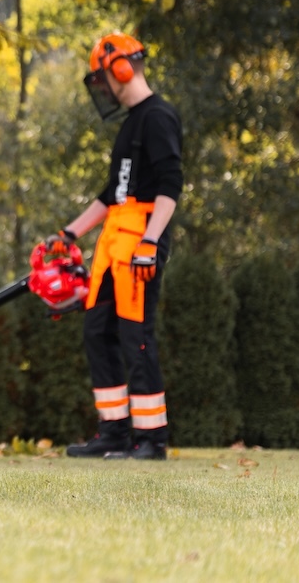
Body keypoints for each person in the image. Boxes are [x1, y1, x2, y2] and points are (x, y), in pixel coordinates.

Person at [39, 32, 183, 461]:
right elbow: (111, 194)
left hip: (139, 240)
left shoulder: (159, 117)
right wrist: (68, 235)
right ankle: (113, 433)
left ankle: (152, 439)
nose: (102, 87)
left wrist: (151, 240)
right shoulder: (130, 125)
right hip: (111, 244)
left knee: (135, 337)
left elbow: (171, 185)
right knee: (97, 332)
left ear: (120, 69)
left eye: (103, 77)